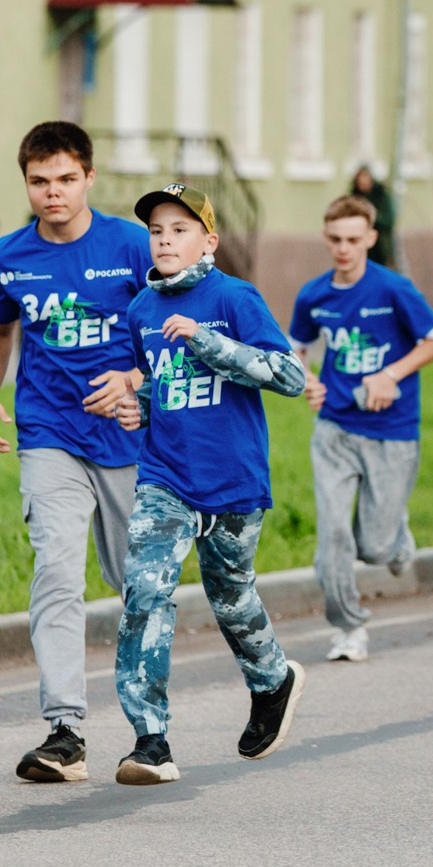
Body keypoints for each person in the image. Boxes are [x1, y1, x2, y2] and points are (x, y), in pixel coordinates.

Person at [96, 186, 310, 784]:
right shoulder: (140, 308)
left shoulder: (234, 297)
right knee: (145, 593)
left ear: (208, 241)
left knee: (231, 597)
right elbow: (157, 384)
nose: (165, 239)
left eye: (179, 229)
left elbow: (290, 375)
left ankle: (273, 680)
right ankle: (150, 741)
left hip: (235, 479)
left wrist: (207, 340)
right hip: (165, 478)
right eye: (157, 230)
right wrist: (136, 405)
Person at [0, 122, 154, 783]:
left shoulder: (132, 246)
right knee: (55, 569)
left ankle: (150, 728)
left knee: (137, 583)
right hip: (48, 432)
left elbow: (175, 328)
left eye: (65, 180)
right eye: (39, 182)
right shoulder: (7, 255)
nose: (52, 193)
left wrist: (135, 379)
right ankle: (65, 729)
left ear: (89, 178)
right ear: (26, 182)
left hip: (131, 438)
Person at [289, 196, 433, 664]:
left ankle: (396, 536)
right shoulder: (314, 294)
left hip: (392, 432)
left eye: (354, 240)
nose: (344, 249)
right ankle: (348, 628)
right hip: (335, 430)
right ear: (326, 238)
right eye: (336, 240)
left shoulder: (394, 288)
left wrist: (391, 375)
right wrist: (310, 383)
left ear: (371, 239)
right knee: (334, 534)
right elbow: (296, 348)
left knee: (376, 547)